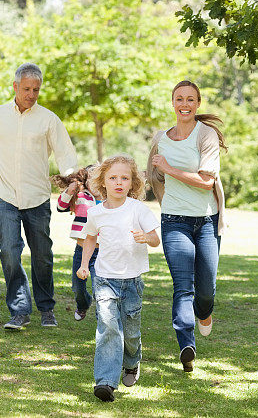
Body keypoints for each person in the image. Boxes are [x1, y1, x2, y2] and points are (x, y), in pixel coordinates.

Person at [0, 62, 78, 330]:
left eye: (36, 90)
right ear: (16, 86)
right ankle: (19, 310)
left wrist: (73, 181)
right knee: (9, 251)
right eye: (27, 89)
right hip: (5, 195)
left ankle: (46, 308)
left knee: (42, 254)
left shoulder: (49, 119)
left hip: (37, 198)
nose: (32, 94)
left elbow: (65, 153)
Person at [146, 80, 226, 372]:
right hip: (174, 221)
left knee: (206, 291)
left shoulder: (207, 136)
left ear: (197, 104)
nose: (184, 104)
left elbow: (207, 181)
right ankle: (186, 345)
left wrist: (170, 170)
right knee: (183, 287)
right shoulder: (160, 138)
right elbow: (152, 177)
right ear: (172, 103)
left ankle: (204, 314)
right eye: (179, 99)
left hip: (206, 221)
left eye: (190, 99)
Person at [77, 155, 160, 402]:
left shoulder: (138, 210)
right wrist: (83, 265)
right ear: (103, 182)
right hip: (104, 279)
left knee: (131, 333)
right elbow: (90, 238)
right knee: (108, 328)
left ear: (133, 182)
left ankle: (132, 363)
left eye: (125, 178)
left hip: (132, 280)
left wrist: (146, 238)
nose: (118, 182)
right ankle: (105, 382)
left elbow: (156, 239)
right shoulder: (96, 213)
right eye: (112, 178)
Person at [52, 166, 100, 321]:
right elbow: (61, 206)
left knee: (99, 287)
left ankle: (103, 318)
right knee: (77, 287)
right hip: (81, 250)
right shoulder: (81, 196)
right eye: (91, 179)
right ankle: (83, 304)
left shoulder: (109, 198)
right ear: (85, 181)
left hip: (102, 252)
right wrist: (70, 190)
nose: (94, 182)